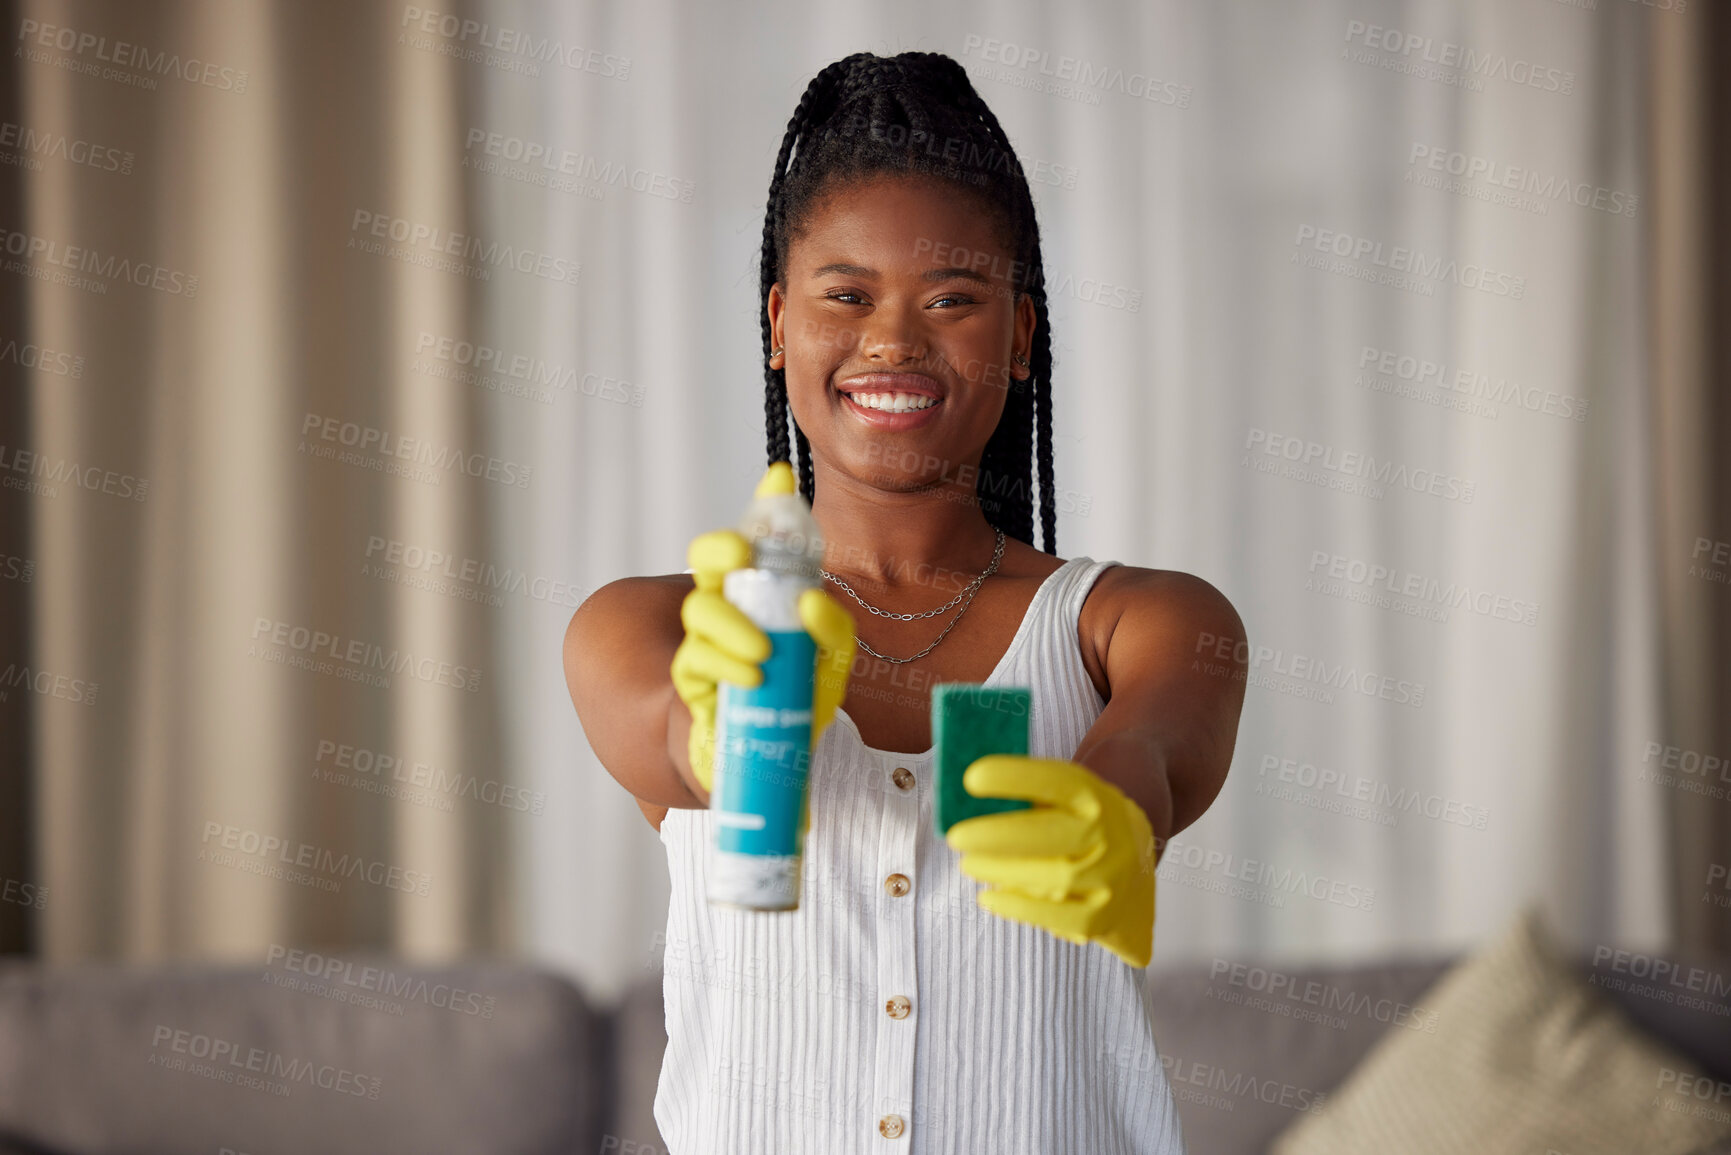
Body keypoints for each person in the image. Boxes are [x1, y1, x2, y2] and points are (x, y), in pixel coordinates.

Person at [564, 50, 1248, 1155]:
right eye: (846, 295)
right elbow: (695, 753)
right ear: (779, 323)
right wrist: (746, 706)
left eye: (953, 300)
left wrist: (1116, 822)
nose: (893, 340)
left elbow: (1153, 755)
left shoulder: (1140, 622)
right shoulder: (648, 627)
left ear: (1020, 338)